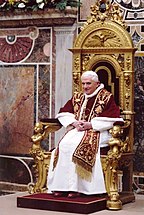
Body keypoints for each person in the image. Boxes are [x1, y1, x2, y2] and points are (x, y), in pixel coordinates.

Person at [47, 70, 123, 198]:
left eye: (88, 83)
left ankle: (78, 188)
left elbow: (112, 118)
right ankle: (61, 186)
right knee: (65, 145)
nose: (85, 87)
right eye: (83, 84)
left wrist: (91, 125)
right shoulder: (78, 96)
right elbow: (65, 112)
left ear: (97, 83)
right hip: (79, 130)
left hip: (99, 131)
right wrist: (74, 122)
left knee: (77, 146)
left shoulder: (106, 97)